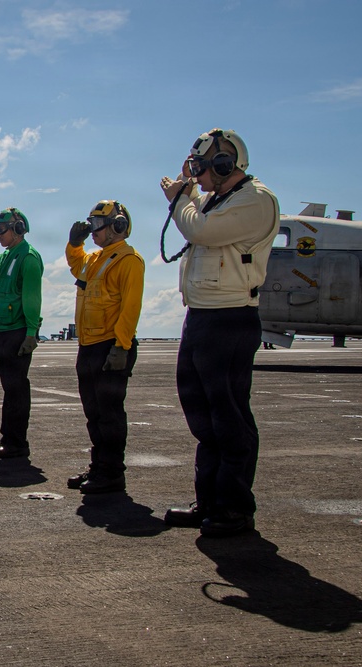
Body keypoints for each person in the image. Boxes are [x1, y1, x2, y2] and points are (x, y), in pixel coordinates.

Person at [159, 128, 280, 537]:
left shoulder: (255, 200)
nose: (196, 176)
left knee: (228, 416)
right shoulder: (220, 199)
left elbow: (202, 231)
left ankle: (234, 507)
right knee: (203, 415)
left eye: (203, 168)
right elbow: (203, 222)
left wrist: (180, 197)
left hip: (230, 318)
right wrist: (190, 196)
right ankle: (209, 500)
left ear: (226, 165)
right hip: (203, 316)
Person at [65, 200, 145, 494]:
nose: (93, 230)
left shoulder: (128, 260)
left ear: (119, 226)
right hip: (89, 346)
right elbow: (77, 265)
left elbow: (130, 306)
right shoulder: (96, 259)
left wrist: (121, 347)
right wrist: (75, 245)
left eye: (97, 224)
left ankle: (112, 472)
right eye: (91, 223)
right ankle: (98, 466)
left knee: (110, 414)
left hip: (111, 347)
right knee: (94, 413)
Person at [0, 207, 43, 458]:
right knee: (10, 390)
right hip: (3, 330)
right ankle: (8, 437)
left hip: (18, 331)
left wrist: (31, 333)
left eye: (2, 230)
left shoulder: (27, 257)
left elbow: (32, 298)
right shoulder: (8, 256)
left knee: (17, 390)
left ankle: (17, 443)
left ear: (18, 229)